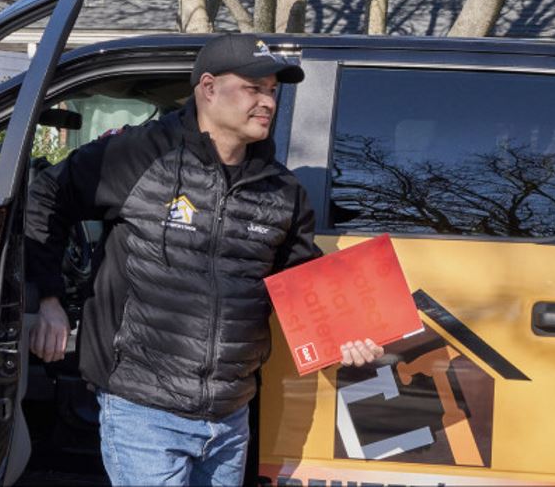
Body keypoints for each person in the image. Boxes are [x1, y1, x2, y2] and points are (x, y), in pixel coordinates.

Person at [25, 34, 384, 486]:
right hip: (143, 408)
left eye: (272, 90)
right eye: (253, 88)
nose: (268, 102)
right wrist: (49, 299)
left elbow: (301, 284)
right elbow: (46, 196)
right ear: (208, 89)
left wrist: (346, 334)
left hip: (229, 416)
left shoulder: (283, 192)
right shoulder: (136, 155)